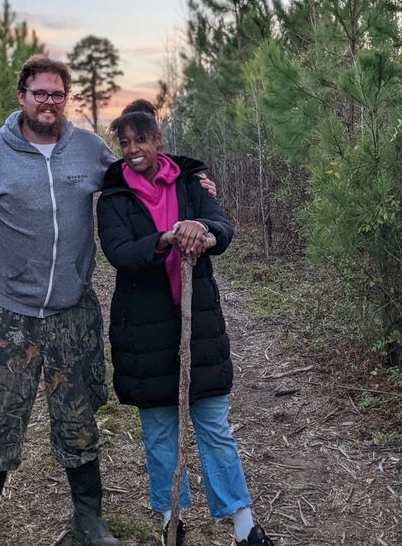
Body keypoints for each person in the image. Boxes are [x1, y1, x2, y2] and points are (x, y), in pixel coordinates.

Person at [0, 55, 119, 546]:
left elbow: (136, 185)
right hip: (9, 317)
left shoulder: (89, 150)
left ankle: (88, 522)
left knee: (78, 420)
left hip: (73, 313)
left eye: (57, 93)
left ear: (66, 99)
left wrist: (192, 190)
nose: (48, 101)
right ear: (22, 97)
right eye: (39, 92)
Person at [96, 100, 274, 546]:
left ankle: (243, 525)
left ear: (159, 140)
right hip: (145, 333)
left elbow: (221, 229)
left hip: (200, 325)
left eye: (142, 139)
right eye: (125, 143)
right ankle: (170, 520)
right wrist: (167, 238)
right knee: (159, 431)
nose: (133, 149)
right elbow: (120, 253)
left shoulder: (192, 182)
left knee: (214, 424)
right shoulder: (114, 196)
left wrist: (203, 232)